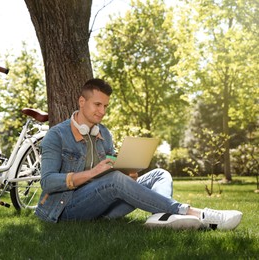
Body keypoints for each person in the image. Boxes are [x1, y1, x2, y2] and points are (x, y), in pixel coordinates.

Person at [35, 78, 242, 230]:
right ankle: (199, 214)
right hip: (66, 210)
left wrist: (129, 174)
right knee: (115, 180)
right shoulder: (57, 135)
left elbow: (114, 168)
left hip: (103, 207)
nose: (102, 111)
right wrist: (92, 174)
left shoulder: (103, 133)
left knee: (160, 174)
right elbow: (48, 182)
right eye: (97, 104)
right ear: (81, 102)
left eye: (105, 106)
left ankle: (162, 218)